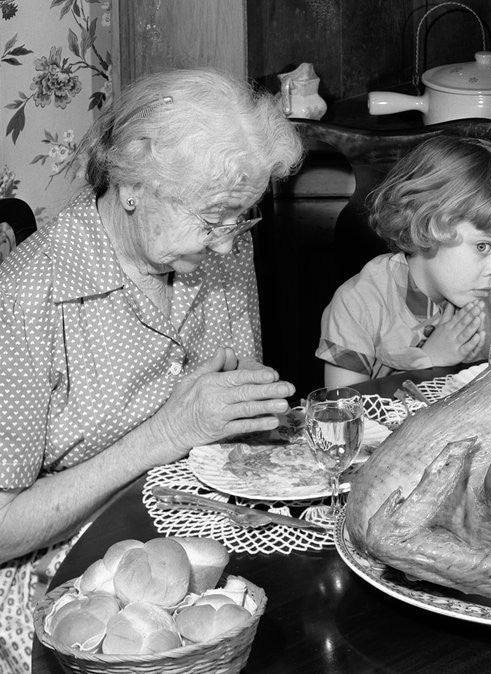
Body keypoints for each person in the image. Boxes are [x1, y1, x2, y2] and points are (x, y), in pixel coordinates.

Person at [0, 68, 303, 671]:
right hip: (72, 584)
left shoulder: (217, 247)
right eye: (214, 218)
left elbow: (240, 420)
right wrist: (167, 433)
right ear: (136, 181)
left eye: (240, 219)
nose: (225, 245)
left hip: (202, 540)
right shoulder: (28, 297)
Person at [316, 136, 491, 386]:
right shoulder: (358, 305)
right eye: (482, 246)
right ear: (428, 225)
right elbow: (342, 412)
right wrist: (430, 360)